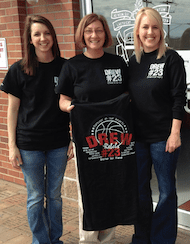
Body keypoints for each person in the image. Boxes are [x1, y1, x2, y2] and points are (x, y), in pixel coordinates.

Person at [55, 13, 136, 244]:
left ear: (105, 34)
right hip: (88, 143)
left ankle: (108, 239)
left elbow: (128, 95)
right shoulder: (72, 66)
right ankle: (89, 239)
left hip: (116, 141)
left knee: (113, 187)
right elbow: (62, 100)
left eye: (99, 30)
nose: (94, 35)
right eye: (89, 31)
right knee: (89, 190)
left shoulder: (117, 64)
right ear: (82, 34)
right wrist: (75, 109)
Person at [0, 15, 73, 244]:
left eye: (47, 33)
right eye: (37, 34)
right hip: (29, 145)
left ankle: (55, 239)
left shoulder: (65, 67)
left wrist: (72, 139)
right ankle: (41, 241)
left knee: (54, 196)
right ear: (30, 40)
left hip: (58, 143)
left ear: (53, 36)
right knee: (34, 197)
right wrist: (12, 146)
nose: (43, 38)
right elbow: (12, 110)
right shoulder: (18, 70)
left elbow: (73, 105)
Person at [128, 7, 187, 244]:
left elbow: (178, 98)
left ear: (160, 30)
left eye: (154, 27)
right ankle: (142, 237)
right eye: (145, 27)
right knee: (140, 192)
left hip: (163, 138)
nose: (150, 32)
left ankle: (162, 239)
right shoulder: (133, 62)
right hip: (138, 139)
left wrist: (175, 133)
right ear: (138, 32)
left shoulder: (171, 59)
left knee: (166, 192)